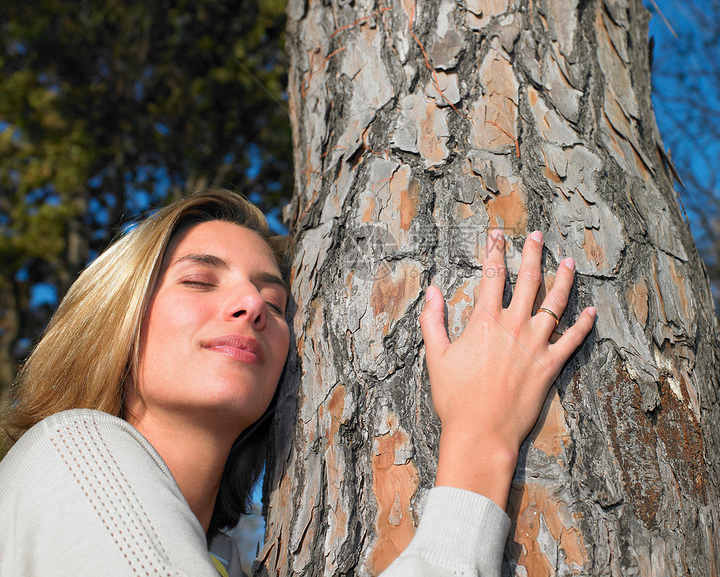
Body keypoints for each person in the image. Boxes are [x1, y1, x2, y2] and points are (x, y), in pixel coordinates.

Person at [0, 189, 595, 576]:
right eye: (200, 281)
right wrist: (480, 438)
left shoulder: (239, 558)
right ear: (117, 317)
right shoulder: (73, 445)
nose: (251, 307)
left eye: (275, 301)